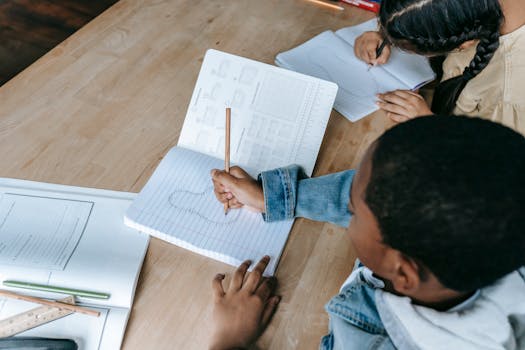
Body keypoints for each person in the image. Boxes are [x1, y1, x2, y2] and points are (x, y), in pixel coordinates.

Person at [208, 115, 525, 350]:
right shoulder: (500, 221)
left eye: (355, 212)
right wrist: (270, 197)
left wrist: (228, 340)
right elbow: (369, 189)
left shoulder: (371, 343)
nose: (348, 205)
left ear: (404, 272)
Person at [353, 0, 525, 134]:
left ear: (464, 44)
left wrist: (429, 122)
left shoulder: (510, 90)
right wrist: (389, 28)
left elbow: (496, 162)